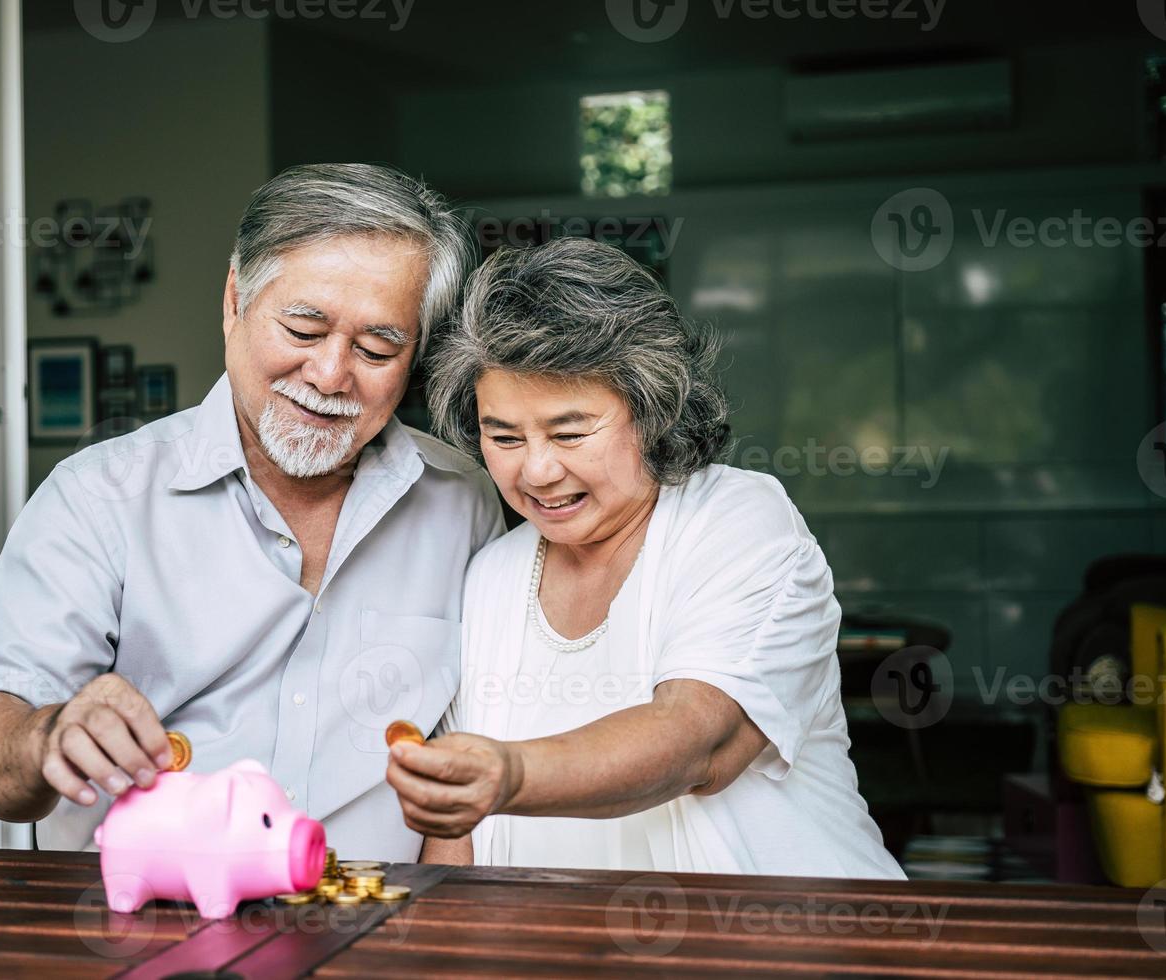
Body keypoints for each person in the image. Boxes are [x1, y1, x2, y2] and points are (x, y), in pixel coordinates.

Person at [0, 164, 503, 860]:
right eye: (303, 328)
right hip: (139, 939)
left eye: (376, 348)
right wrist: (48, 734)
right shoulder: (98, 497)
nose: (331, 375)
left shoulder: (463, 500)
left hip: (380, 926)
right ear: (234, 301)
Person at [387, 237, 904, 878]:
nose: (538, 469)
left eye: (570, 432)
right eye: (504, 436)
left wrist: (507, 771)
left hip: (783, 946)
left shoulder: (737, 520)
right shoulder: (492, 574)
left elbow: (696, 742)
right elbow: (458, 838)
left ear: (650, 411)